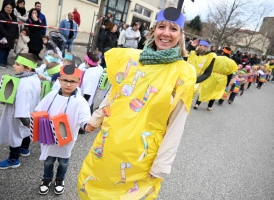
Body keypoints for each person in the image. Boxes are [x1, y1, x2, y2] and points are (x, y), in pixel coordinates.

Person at [77, 3, 196, 199]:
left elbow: (177, 123)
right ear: (153, 31)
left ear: (181, 35)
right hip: (110, 141)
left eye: (173, 29)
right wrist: (96, 117)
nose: (166, 33)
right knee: (94, 187)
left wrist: (161, 165)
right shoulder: (132, 59)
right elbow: (115, 92)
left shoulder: (184, 73)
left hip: (141, 153)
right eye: (161, 27)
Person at [35, 64, 91, 195]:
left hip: (66, 139)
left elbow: (84, 118)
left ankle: (60, 179)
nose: (68, 84)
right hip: (49, 136)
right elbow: (39, 110)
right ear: (59, 80)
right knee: (48, 161)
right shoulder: (52, 95)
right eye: (65, 80)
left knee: (63, 161)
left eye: (73, 81)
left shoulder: (80, 101)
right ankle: (46, 179)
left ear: (78, 82)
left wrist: (86, 125)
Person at [0, 53, 40, 169]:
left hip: (20, 117)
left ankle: (13, 160)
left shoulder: (23, 84)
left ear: (28, 68)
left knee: (15, 135)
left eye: (17, 64)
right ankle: (24, 149)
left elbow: (21, 107)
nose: (13, 66)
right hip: (30, 113)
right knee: (25, 134)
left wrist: (26, 123)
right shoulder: (34, 77)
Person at [185, 38, 216, 107]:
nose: (200, 47)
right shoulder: (192, 53)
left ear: (206, 47)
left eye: (202, 46)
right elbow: (182, 58)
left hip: (194, 82)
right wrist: (190, 46)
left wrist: (196, 80)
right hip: (183, 79)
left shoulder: (210, 57)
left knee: (186, 102)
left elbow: (208, 73)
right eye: (199, 45)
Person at [0, 3, 19, 68]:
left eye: (10, 8)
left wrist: (16, 37)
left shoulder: (13, 17)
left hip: (12, 37)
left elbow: (16, 27)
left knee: (8, 49)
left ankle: (5, 61)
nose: (9, 9)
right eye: (7, 7)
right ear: (4, 8)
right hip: (4, 36)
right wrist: (7, 35)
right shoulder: (1, 15)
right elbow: (0, 27)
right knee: (3, 49)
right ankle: (0, 62)